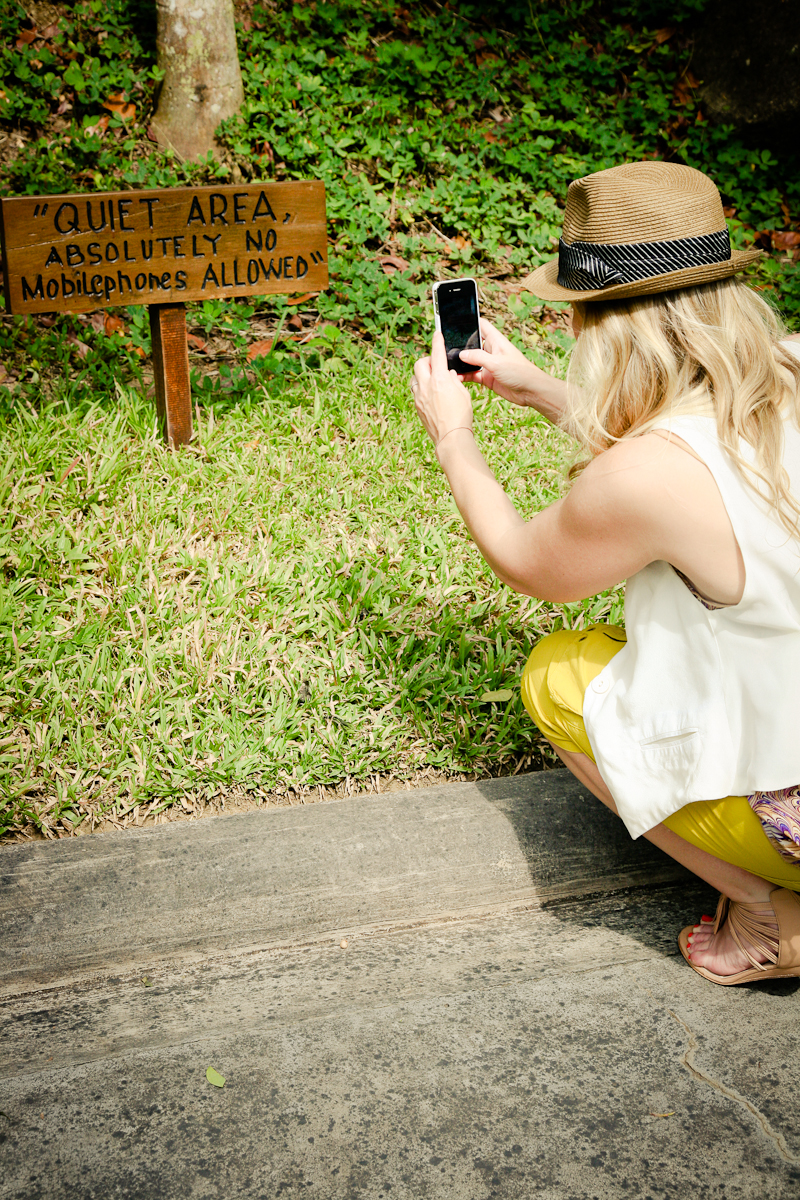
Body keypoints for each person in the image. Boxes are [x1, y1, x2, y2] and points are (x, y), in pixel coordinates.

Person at [411, 160, 800, 986]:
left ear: (597, 321)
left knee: (559, 672)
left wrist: (454, 437)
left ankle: (765, 907)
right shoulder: (788, 366)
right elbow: (695, 456)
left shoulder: (643, 477)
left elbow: (527, 562)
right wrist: (540, 391)